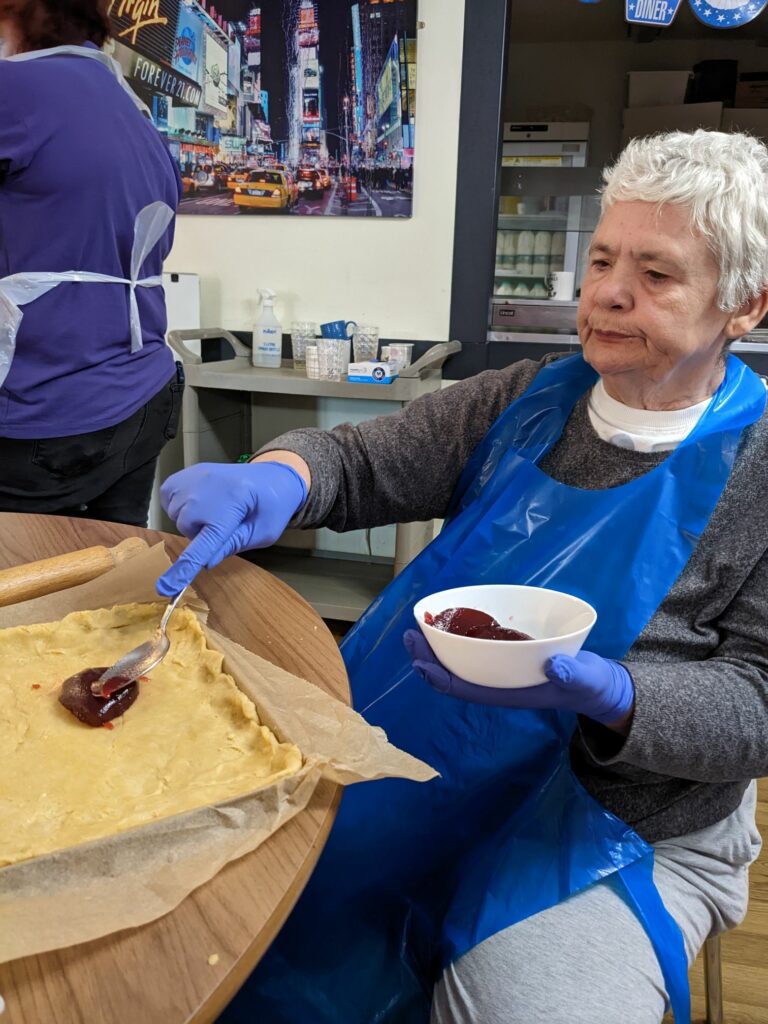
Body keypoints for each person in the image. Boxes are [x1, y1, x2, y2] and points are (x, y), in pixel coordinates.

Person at [156, 130, 768, 1024]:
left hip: (618, 820)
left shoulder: (757, 468)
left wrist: (618, 698)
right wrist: (277, 477)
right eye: (602, 260)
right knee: (227, 896)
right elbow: (359, 462)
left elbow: (758, 703)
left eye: (656, 274)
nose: (607, 292)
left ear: (744, 304)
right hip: (435, 752)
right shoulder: (525, 399)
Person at [0, 0, 183, 527]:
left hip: (46, 413)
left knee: (28, 577)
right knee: (109, 569)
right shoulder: (136, 113)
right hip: (141, 396)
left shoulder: (15, 88)